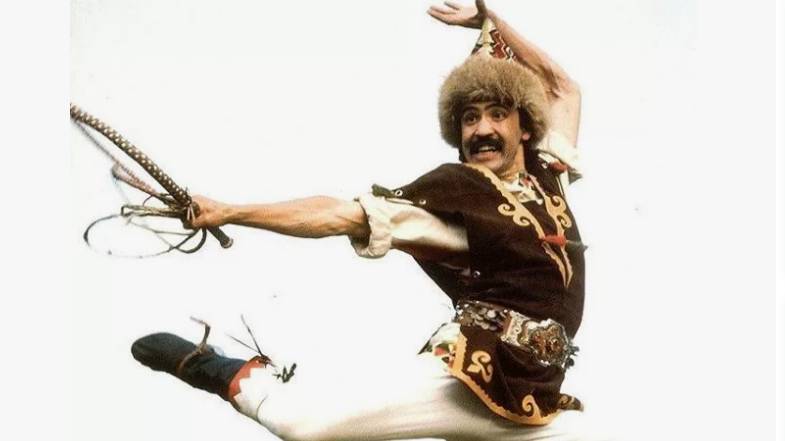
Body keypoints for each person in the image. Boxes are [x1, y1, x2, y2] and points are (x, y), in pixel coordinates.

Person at [132, 1, 594, 439]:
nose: (482, 129)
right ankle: (223, 370)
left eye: (497, 114)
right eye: (469, 118)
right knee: (302, 425)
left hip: (534, 398)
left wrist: (490, 18)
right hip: (469, 378)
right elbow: (337, 214)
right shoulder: (457, 199)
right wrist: (230, 211)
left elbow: (562, 88)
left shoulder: (550, 176)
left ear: (525, 127)